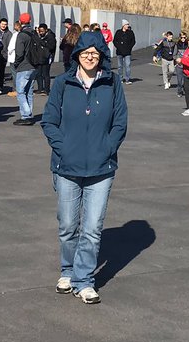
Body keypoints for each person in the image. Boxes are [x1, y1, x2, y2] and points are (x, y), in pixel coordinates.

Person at [41, 29, 127, 305]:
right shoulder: (63, 84)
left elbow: (120, 123)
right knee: (68, 225)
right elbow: (49, 121)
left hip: (101, 169)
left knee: (92, 227)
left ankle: (84, 279)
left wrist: (107, 147)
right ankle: (67, 271)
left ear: (102, 56)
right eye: (86, 52)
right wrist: (63, 147)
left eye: (96, 53)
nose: (91, 57)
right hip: (67, 166)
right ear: (77, 55)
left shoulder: (112, 83)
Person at [11, 13, 40, 125]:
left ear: (20, 21)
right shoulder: (34, 33)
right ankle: (29, 114)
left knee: (20, 92)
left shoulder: (21, 35)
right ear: (30, 20)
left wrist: (16, 63)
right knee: (29, 92)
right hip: (34, 65)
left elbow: (19, 52)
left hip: (24, 66)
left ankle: (26, 114)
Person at [34, 23, 55, 94]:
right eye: (40, 31)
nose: (41, 33)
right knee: (38, 74)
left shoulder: (50, 37)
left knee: (45, 74)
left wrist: (42, 42)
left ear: (46, 30)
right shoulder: (38, 36)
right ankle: (40, 88)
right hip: (39, 57)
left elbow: (51, 46)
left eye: (42, 31)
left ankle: (47, 89)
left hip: (47, 57)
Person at [112, 19, 136, 84]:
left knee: (127, 66)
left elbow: (133, 41)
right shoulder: (118, 32)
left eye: (128, 24)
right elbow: (114, 41)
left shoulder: (130, 32)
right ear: (123, 25)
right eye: (127, 24)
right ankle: (120, 79)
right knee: (120, 66)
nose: (128, 25)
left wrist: (129, 48)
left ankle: (127, 79)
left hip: (127, 52)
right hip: (119, 52)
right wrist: (118, 47)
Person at [0, 18, 10, 94]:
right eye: (2, 24)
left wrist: (7, 53)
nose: (4, 26)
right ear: (0, 24)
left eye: (5, 24)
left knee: (1, 71)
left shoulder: (9, 33)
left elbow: (9, 45)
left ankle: (0, 86)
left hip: (4, 54)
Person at [172, 31, 189, 96]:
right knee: (179, 80)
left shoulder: (188, 44)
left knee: (185, 81)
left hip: (186, 65)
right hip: (179, 65)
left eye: (184, 37)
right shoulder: (177, 44)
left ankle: (185, 90)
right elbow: (174, 54)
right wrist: (176, 60)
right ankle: (179, 91)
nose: (183, 39)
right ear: (179, 38)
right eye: (181, 37)